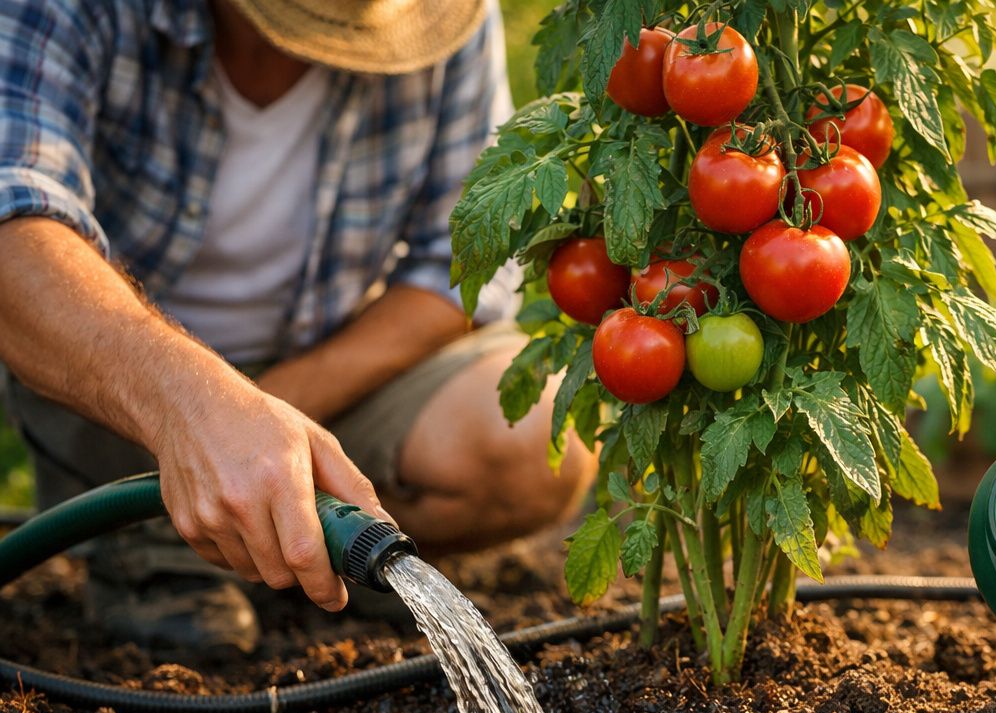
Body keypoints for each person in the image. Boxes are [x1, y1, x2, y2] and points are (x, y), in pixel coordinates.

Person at [0, 0, 595, 654]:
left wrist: (266, 413)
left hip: (329, 377)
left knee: (538, 431)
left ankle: (288, 545)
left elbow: (463, 271)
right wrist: (193, 408)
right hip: (126, 400)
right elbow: (15, 233)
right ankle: (151, 550)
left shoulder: (448, 17)